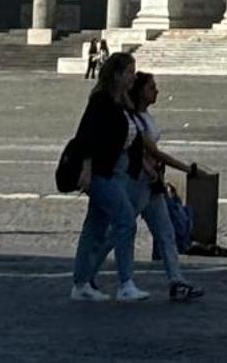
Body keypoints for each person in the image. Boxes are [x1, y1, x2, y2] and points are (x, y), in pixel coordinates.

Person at [69, 51, 144, 302]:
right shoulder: (101, 100)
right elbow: (87, 135)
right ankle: (124, 283)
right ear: (117, 74)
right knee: (125, 221)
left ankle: (82, 283)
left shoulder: (119, 101)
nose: (134, 77)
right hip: (101, 172)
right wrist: (87, 168)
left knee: (95, 228)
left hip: (115, 170)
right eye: (130, 72)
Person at [125, 72, 203, 302]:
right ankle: (86, 274)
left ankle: (177, 282)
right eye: (151, 88)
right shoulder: (135, 121)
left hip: (153, 183)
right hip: (139, 183)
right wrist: (187, 169)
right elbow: (155, 153)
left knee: (166, 233)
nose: (156, 91)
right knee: (121, 231)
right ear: (140, 92)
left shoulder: (146, 117)